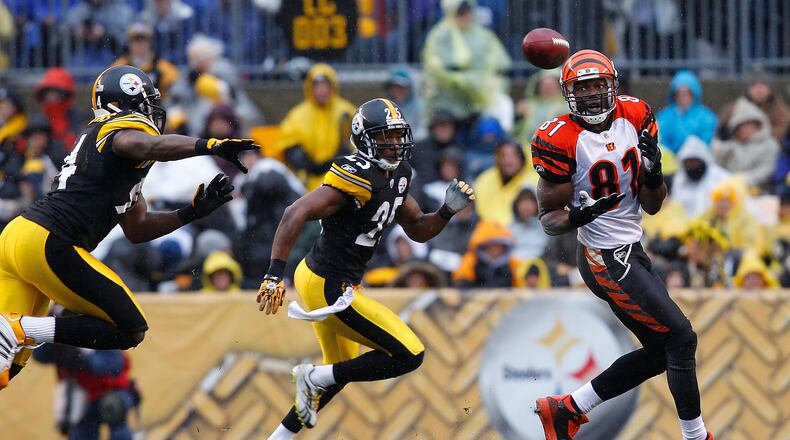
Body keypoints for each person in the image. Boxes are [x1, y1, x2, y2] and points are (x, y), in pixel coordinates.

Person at [0, 65, 259, 388]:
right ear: (130, 101)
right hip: (49, 241)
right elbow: (144, 145)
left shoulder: (107, 154)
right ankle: (22, 327)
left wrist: (191, 212)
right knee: (129, 328)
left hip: (19, 238)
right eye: (147, 101)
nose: (152, 112)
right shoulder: (123, 130)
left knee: (8, 368)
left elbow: (137, 228)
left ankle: (20, 328)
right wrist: (208, 146)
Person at [256, 98, 475, 439]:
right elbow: (294, 213)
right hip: (328, 284)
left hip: (327, 278)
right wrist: (273, 273)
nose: (394, 144)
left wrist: (446, 211)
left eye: (398, 135)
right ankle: (311, 377)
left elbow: (417, 228)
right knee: (408, 354)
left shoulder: (399, 174)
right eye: (385, 137)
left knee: (337, 374)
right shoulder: (356, 177)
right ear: (365, 140)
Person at [531, 50, 712, 440]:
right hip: (603, 257)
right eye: (584, 87)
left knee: (663, 350)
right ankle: (697, 437)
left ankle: (568, 409)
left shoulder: (636, 115)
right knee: (681, 337)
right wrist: (580, 214)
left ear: (613, 85)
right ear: (568, 93)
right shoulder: (559, 138)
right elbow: (548, 220)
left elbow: (652, 204)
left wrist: (655, 171)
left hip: (632, 247)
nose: (593, 95)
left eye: (599, 85)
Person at [276, 63, 357, 191]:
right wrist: (304, 162)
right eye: (317, 86)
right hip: (305, 182)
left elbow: (356, 144)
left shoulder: (347, 112)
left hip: (341, 179)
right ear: (310, 88)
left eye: (326, 86)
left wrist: (337, 160)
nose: (322, 90)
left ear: (333, 87)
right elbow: (287, 146)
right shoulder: (297, 115)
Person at [712, 97, 780, 191]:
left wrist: (742, 179)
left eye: (750, 126)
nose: (746, 130)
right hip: (729, 189)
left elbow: (766, 170)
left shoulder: (769, 145)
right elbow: (716, 165)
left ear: (757, 126)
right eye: (742, 127)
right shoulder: (732, 145)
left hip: (761, 190)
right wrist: (721, 145)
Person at [474, 138, 537, 225]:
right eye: (503, 155)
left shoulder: (534, 180)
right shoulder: (485, 180)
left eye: (513, 155)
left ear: (523, 158)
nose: (507, 161)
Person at [112, 22, 180, 99]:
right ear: (129, 43)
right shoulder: (120, 66)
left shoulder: (160, 65)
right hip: (128, 107)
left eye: (143, 39)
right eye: (135, 40)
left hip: (156, 107)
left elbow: (176, 84)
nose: (139, 44)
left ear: (149, 42)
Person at [656, 69, 717, 154]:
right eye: (680, 93)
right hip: (670, 161)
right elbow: (660, 139)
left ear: (694, 94)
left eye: (687, 93)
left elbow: (706, 141)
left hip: (696, 160)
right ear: (674, 94)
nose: (683, 97)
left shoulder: (706, 117)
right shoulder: (665, 116)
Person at [671, 135, 731, 217]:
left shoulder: (721, 178)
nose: (692, 166)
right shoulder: (679, 180)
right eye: (689, 162)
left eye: (695, 162)